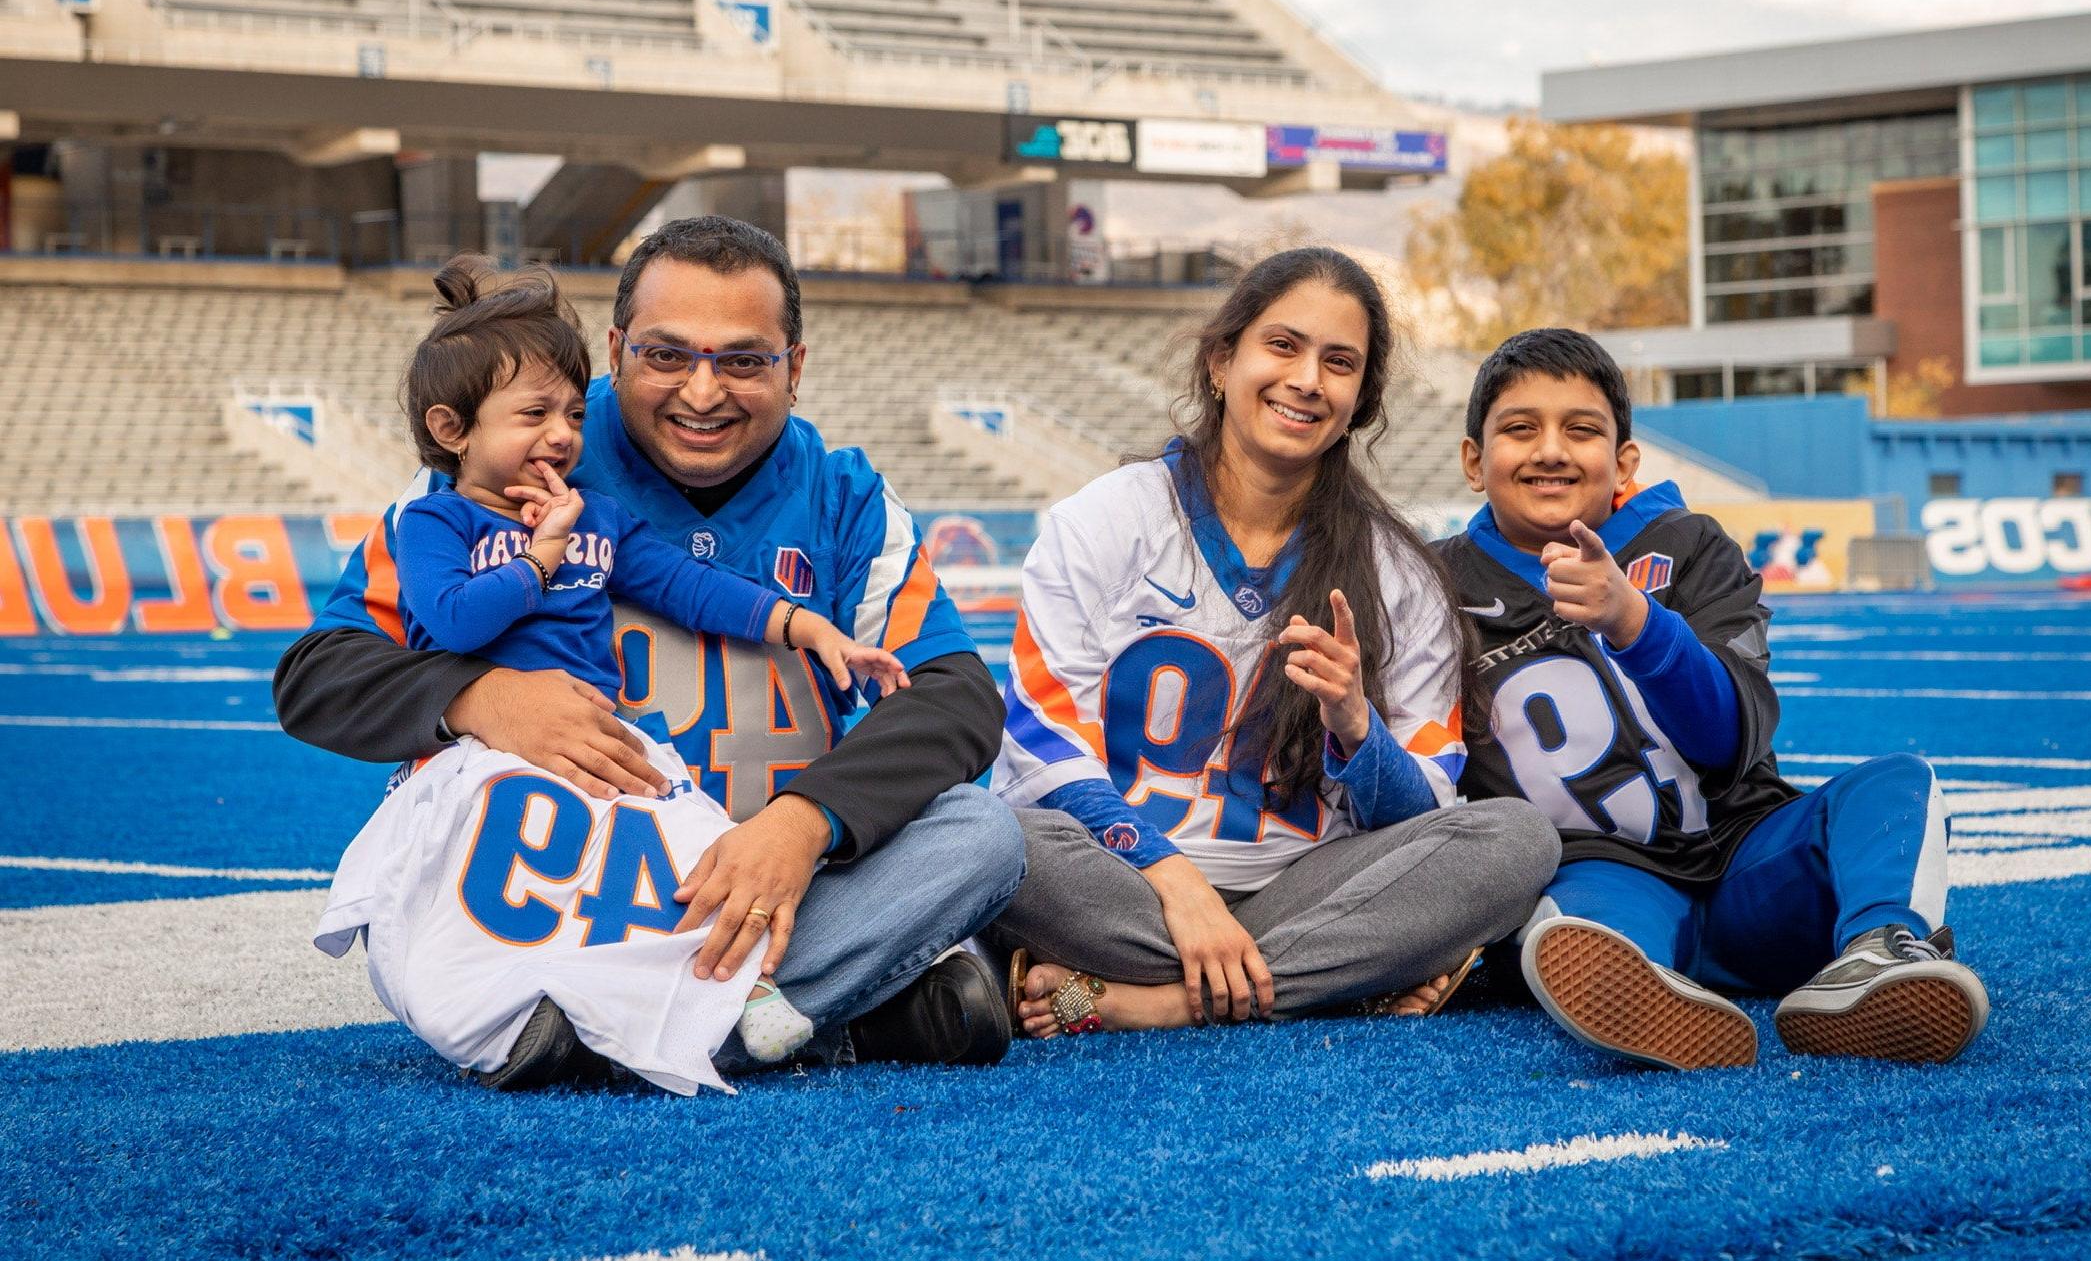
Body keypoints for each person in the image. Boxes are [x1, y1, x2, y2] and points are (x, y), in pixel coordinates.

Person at [277, 217, 1025, 1083]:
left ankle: (593, 1034)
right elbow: (319, 672)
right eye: (667, 354)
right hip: (559, 884)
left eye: (743, 359)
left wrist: (801, 823)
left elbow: (953, 696)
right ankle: (833, 1014)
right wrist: (480, 697)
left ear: (795, 367)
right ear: (618, 348)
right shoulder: (516, 459)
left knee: (981, 832)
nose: (702, 391)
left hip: (763, 893)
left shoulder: (843, 493)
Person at [986, 247, 1559, 1037]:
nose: (1306, 380)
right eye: (1282, 346)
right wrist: (1176, 882)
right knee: (980, 834)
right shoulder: (1104, 520)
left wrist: (1357, 729)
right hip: (1121, 883)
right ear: (1222, 360)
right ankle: (1334, 978)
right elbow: (1042, 752)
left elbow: (1427, 801)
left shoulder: (1398, 571)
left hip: (1303, 884)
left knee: (1514, 839)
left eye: (1338, 362)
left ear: (1359, 398)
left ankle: (1157, 1002)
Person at [1437, 327, 1989, 1068]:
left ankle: (1873, 955)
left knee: (1896, 784)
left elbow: (1731, 736)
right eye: (1518, 428)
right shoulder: (1432, 587)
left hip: (1742, 854)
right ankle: (1647, 995)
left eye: (1580, 429)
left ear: (1623, 459)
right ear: (1473, 460)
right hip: (1598, 866)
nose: (1549, 450)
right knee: (1580, 935)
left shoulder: (1689, 545)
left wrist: (1632, 621)